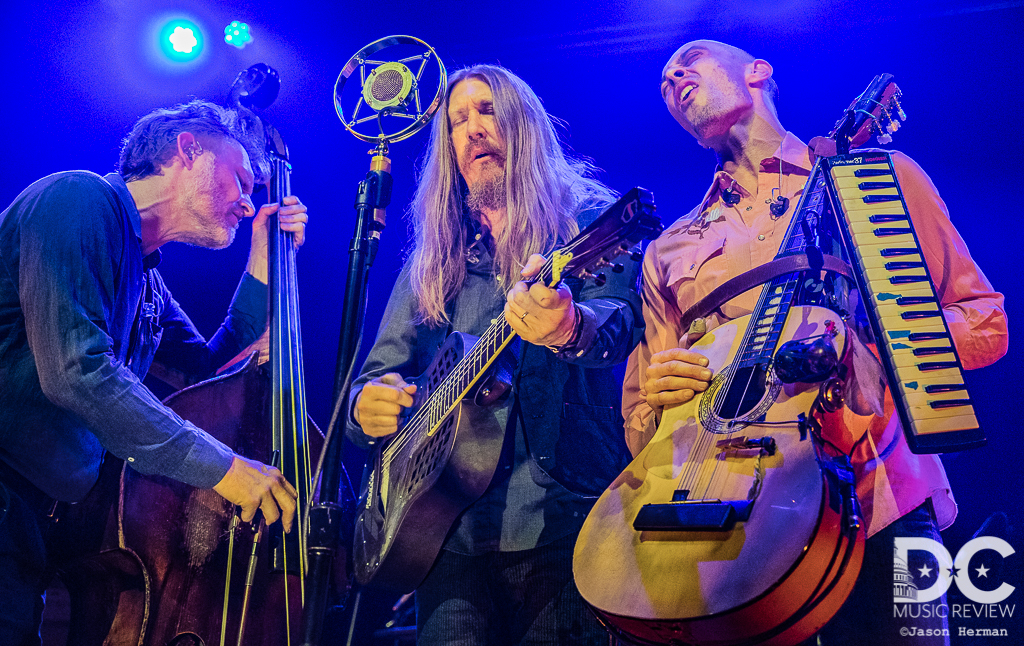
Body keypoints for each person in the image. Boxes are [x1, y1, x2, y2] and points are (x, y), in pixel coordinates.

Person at [622, 40, 1008, 644]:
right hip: (735, 526)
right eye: (664, 80)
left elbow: (984, 320)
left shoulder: (879, 183)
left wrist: (877, 352)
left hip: (887, 498)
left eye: (690, 58)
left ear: (758, 71)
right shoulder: (668, 250)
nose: (672, 76)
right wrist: (660, 399)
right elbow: (642, 418)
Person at [347, 65, 644, 645]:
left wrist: (568, 326)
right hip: (444, 533)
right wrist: (367, 407)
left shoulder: (585, 223)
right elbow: (378, 373)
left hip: (561, 521)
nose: (472, 130)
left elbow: (620, 326)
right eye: (457, 122)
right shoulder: (437, 254)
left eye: (487, 112)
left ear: (524, 126)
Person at [0, 100, 307, 644]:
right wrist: (225, 469)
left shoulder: (147, 281)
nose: (247, 200)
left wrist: (264, 257)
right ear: (188, 149)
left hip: (39, 525)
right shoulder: (78, 200)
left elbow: (210, 371)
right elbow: (77, 371)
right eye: (240, 178)